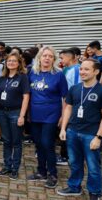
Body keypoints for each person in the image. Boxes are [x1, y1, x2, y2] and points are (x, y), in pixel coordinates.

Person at [57, 59, 102, 200]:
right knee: (74, 163)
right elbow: (68, 108)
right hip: (72, 132)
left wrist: (99, 137)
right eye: (81, 69)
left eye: (87, 69)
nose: (82, 72)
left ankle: (95, 192)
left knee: (93, 167)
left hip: (91, 135)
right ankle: (74, 187)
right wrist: (64, 128)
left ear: (96, 71)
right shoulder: (75, 88)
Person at [27, 46, 68, 189]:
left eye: (50, 56)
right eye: (44, 55)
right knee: (38, 143)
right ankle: (41, 171)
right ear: (39, 57)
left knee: (47, 143)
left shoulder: (59, 74)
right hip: (35, 114)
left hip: (51, 114)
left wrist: (63, 115)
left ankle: (52, 174)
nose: (47, 58)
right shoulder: (32, 72)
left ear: (54, 59)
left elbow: (65, 97)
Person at [0, 52, 30, 180]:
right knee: (6, 141)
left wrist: (22, 116)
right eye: (9, 60)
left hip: (15, 113)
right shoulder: (2, 77)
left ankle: (15, 168)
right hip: (2, 112)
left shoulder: (22, 77)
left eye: (14, 61)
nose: (11, 63)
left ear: (18, 63)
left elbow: (26, 97)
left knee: (16, 142)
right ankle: (7, 166)